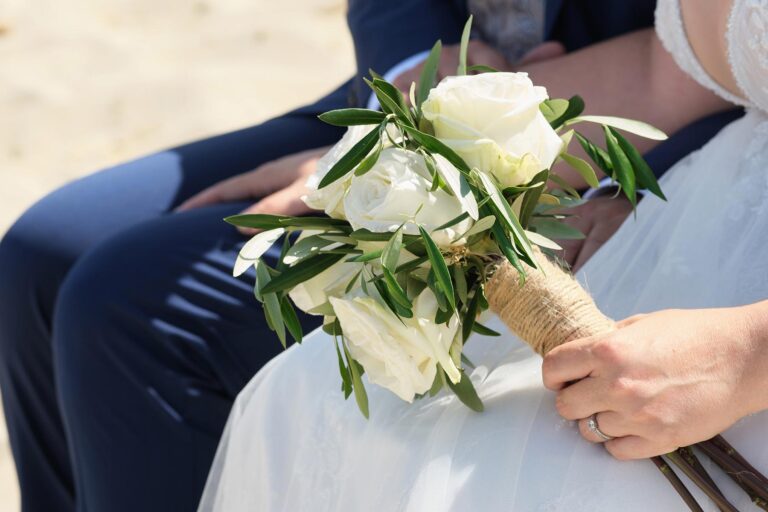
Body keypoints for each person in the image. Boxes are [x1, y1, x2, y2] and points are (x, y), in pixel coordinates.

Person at [0, 1, 739, 511]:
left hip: (656, 149)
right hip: (457, 87)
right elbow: (673, 63)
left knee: (132, 309)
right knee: (45, 253)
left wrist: (615, 182)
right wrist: (411, 106)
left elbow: (703, 77)